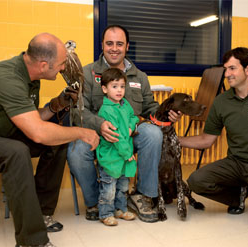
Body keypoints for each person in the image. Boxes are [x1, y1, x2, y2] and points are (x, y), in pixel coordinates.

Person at [0, 33, 100, 247]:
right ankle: (31, 241)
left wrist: (56, 105)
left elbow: (30, 118)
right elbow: (37, 132)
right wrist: (82, 132)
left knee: (56, 143)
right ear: (44, 65)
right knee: (17, 152)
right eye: (62, 64)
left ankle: (42, 214)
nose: (65, 68)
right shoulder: (8, 78)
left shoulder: (31, 75)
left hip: (0, 134)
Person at [67, 25, 182, 223]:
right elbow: (78, 110)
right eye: (109, 43)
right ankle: (97, 201)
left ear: (127, 46)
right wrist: (100, 124)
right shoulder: (86, 74)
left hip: (130, 135)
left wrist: (167, 114)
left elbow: (150, 106)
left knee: (152, 133)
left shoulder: (140, 77)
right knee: (76, 150)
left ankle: (142, 196)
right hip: (99, 135)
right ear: (102, 45)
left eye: (119, 44)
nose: (114, 48)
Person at [179, 47, 248, 232]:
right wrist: (176, 139)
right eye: (226, 69)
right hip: (235, 163)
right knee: (196, 180)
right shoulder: (221, 102)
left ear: (247, 70)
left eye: (232, 68)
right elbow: (207, 140)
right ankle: (237, 196)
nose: (227, 74)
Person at [96, 68, 138, 226]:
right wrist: (128, 153)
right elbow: (116, 137)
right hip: (111, 157)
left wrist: (131, 127)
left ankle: (120, 209)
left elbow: (134, 118)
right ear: (105, 89)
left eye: (122, 86)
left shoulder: (125, 104)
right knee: (109, 188)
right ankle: (105, 213)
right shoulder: (106, 110)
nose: (119, 90)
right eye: (114, 86)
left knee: (122, 186)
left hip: (123, 158)